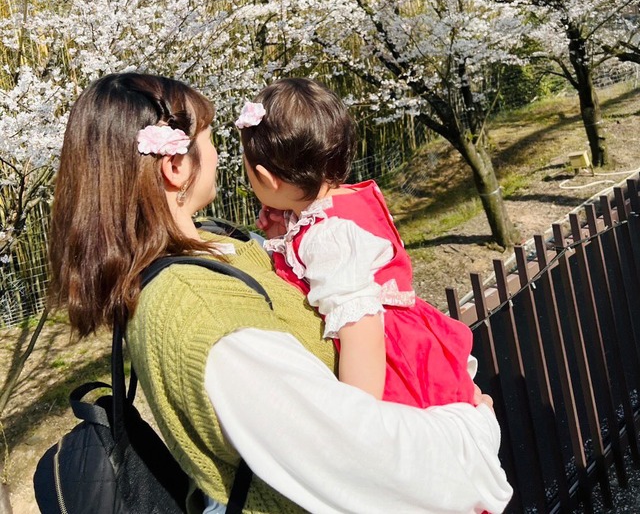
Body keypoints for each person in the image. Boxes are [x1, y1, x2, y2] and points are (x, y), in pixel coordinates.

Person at [48, 71, 512, 514]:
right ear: (174, 165)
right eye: (209, 137)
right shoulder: (200, 311)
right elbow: (360, 456)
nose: (220, 154)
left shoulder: (215, 250)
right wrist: (472, 426)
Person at [236, 77, 477, 409]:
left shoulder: (327, 236)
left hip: (386, 362)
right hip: (413, 338)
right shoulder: (346, 202)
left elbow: (359, 326)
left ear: (265, 178)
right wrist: (283, 235)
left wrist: (358, 413)